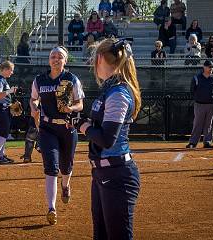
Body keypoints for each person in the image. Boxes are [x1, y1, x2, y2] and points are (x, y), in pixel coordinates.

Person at [78, 38, 141, 240]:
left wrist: (82, 126)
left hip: (116, 175)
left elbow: (106, 139)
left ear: (99, 59)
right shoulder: (109, 89)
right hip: (102, 172)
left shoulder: (119, 92)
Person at [29, 46, 85, 225]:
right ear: (48, 60)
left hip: (68, 128)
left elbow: (80, 104)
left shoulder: (71, 79)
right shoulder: (40, 79)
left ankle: (66, 185)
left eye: (59, 57)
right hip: (47, 128)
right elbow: (33, 98)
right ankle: (51, 208)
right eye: (52, 56)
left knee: (66, 166)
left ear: (65, 61)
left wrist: (70, 108)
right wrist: (34, 106)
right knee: (51, 167)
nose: (55, 59)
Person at [186, 60, 213, 149]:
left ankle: (207, 142)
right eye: (209, 67)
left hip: (211, 104)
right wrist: (198, 98)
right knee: (197, 124)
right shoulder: (197, 78)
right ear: (204, 67)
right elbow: (192, 90)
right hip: (199, 104)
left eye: (212, 67)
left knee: (209, 124)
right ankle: (193, 142)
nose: (211, 68)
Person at [0, 60, 17, 163]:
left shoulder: (3, 80)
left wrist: (10, 103)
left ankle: (1, 155)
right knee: (3, 133)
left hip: (4, 108)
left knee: (5, 133)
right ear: (5, 69)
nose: (12, 72)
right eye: (11, 70)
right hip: (0, 108)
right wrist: (9, 91)